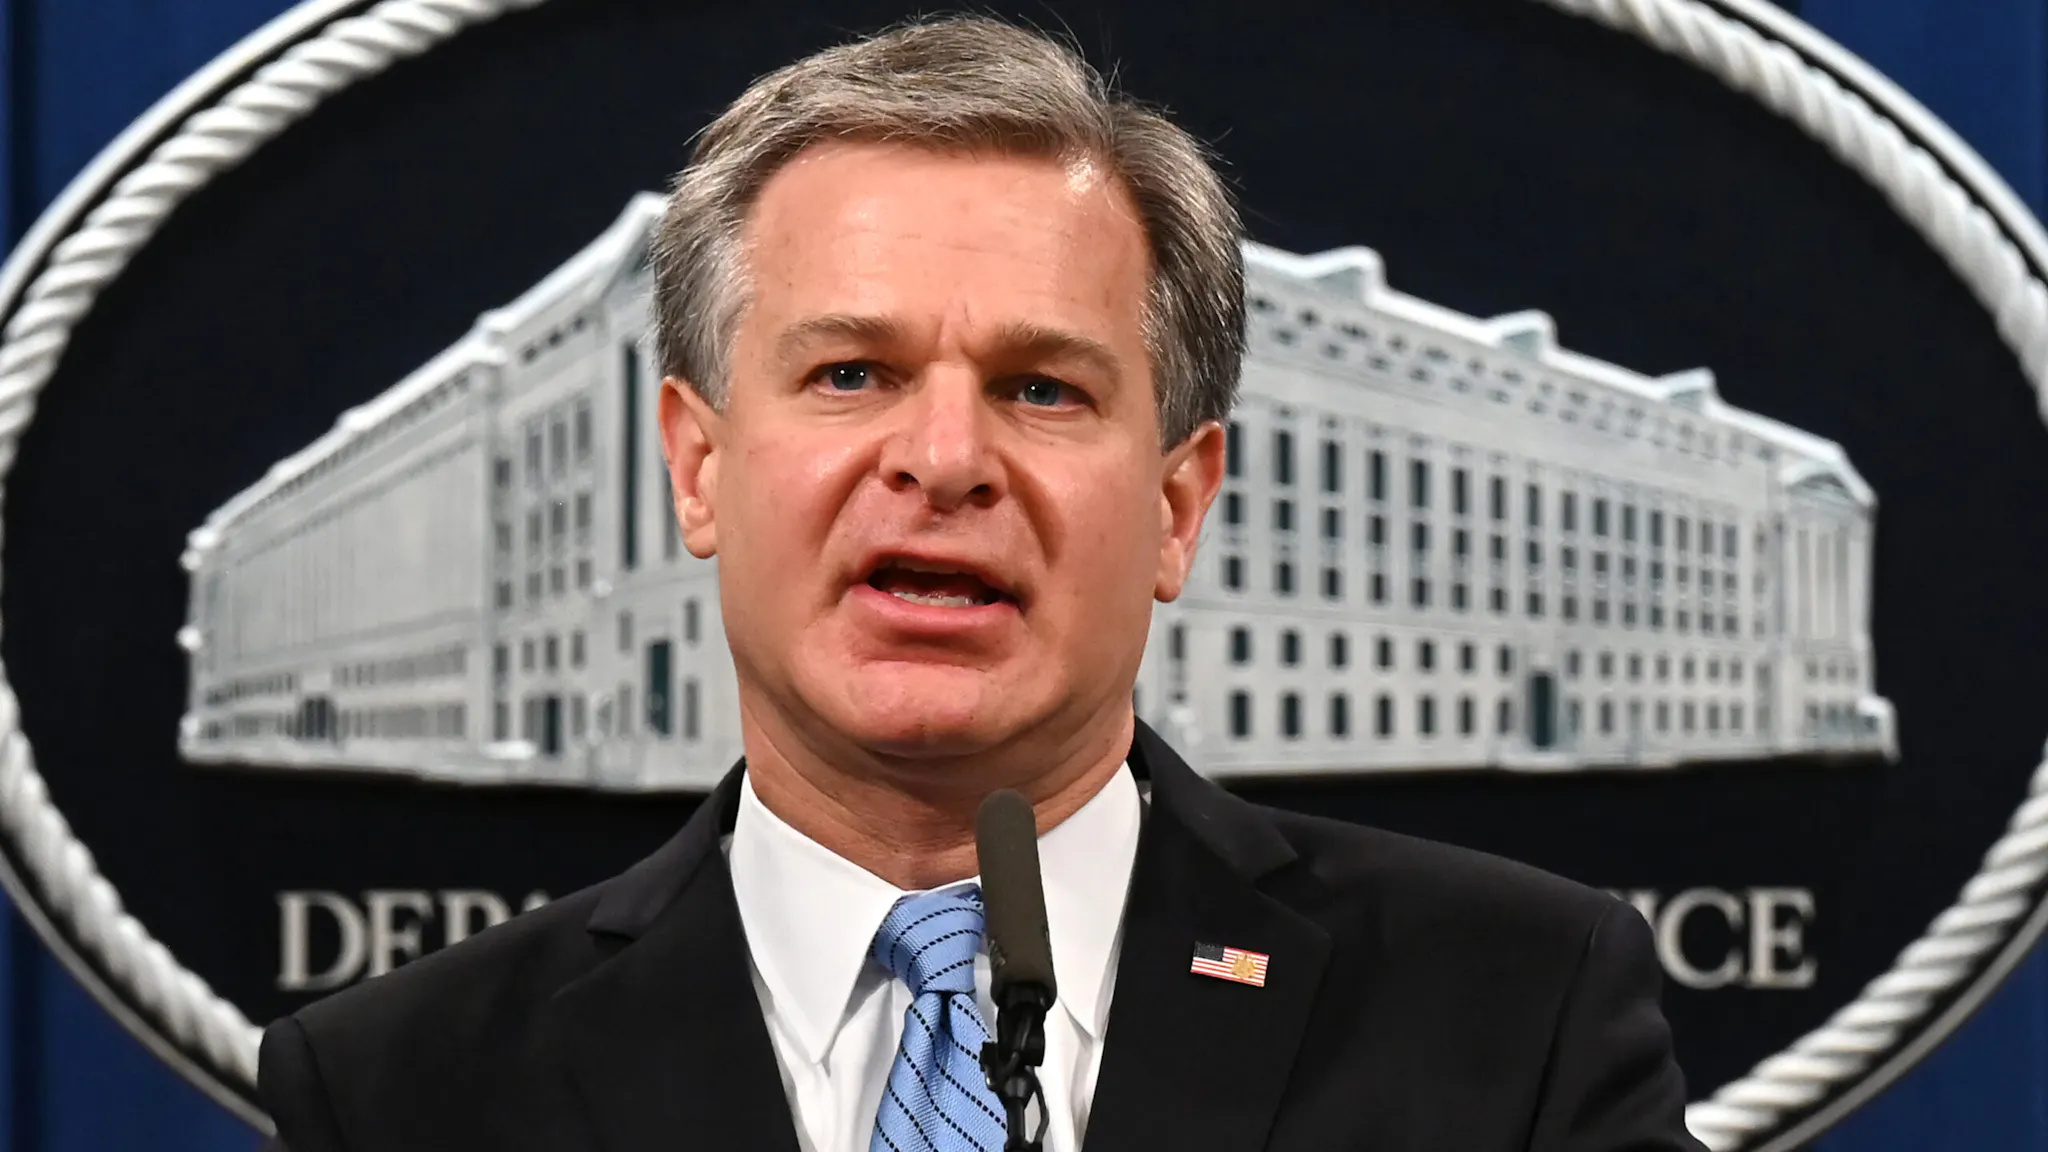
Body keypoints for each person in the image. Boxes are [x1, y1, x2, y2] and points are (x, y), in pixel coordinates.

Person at [257, 15, 1706, 1152]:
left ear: (1176, 504)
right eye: (851, 374)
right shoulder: (400, 1092)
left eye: (1041, 388)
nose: (945, 459)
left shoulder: (1515, 1013)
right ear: (698, 468)